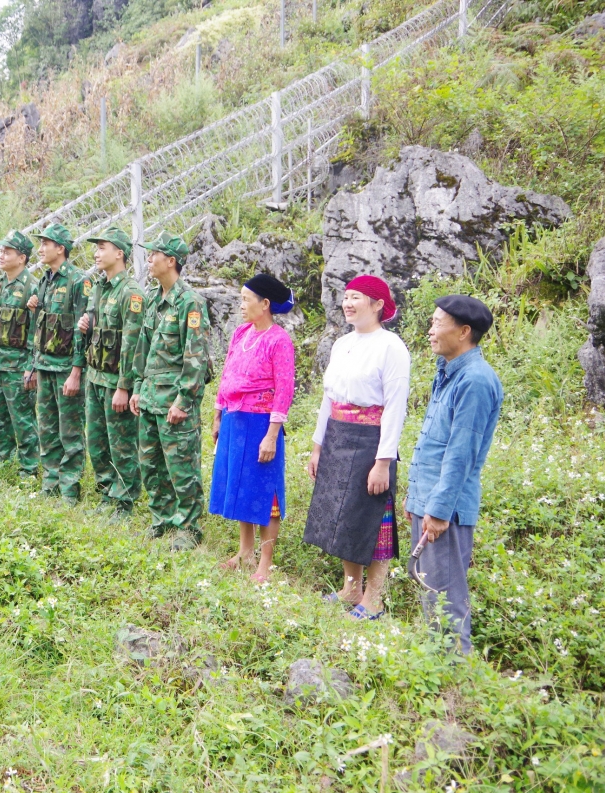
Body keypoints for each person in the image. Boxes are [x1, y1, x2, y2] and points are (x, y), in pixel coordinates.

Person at [303, 275, 410, 619]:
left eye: (356, 297)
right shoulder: (341, 344)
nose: (347, 303)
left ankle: (374, 599)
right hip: (338, 436)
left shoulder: (391, 346)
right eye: (346, 296)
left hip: (370, 441)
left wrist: (383, 461)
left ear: (378, 305)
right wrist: (318, 446)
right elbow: (328, 398)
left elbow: (395, 407)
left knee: (371, 516)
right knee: (344, 514)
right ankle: (351, 589)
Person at [405, 295, 503, 654]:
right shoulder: (448, 372)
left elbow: (461, 453)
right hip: (430, 501)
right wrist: (416, 497)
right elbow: (435, 443)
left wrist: (438, 509)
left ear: (463, 332)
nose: (430, 330)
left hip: (445, 509)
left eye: (437, 323)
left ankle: (456, 674)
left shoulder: (475, 381)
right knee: (433, 595)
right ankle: (439, 669)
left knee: (446, 600)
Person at [210, 273, 296, 581]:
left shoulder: (279, 340)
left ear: (265, 304)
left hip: (260, 423)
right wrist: (218, 414)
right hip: (234, 419)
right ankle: (245, 553)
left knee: (265, 490)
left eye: (246, 300)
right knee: (240, 486)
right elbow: (227, 373)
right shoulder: (241, 333)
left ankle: (265, 563)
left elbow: (284, 390)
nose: (241, 305)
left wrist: (272, 435)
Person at [130, 232, 211, 551]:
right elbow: (144, 348)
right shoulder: (153, 298)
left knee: (181, 467)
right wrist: (138, 387)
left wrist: (183, 401)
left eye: (154, 254)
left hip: (175, 402)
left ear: (171, 261)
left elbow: (195, 358)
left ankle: (188, 527)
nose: (149, 259)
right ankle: (161, 518)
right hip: (151, 398)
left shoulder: (190, 302)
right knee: (151, 464)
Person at [78, 227, 146, 521]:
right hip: (95, 377)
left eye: (102, 247)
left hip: (115, 382)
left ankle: (124, 501)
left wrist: (124, 387)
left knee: (122, 444)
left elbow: (132, 345)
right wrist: (87, 326)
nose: (96, 253)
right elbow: (100, 332)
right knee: (97, 442)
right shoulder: (99, 287)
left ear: (119, 253)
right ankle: (107, 493)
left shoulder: (130, 293)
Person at [27, 223, 92, 504]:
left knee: (70, 430)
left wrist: (76, 372)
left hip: (66, 368)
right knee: (47, 428)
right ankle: (50, 483)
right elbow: (41, 328)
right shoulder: (45, 280)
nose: (40, 249)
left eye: (46, 244)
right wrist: (33, 365)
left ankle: (69, 489)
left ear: (60, 248)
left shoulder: (78, 281)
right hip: (44, 366)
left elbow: (81, 331)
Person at [0, 230, 40, 478]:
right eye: (1, 251)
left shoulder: (32, 288)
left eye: (7, 252)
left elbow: (37, 332)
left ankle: (29, 469)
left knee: (22, 420)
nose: (1, 255)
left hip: (17, 366)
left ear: (22, 258)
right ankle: (2, 464)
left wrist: (31, 367)